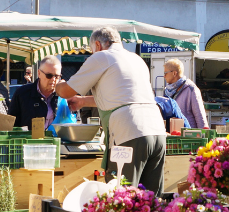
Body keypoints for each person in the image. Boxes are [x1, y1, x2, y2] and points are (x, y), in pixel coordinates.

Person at [55, 27, 166, 196]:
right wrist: (84, 101)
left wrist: (57, 83)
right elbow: (124, 96)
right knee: (151, 202)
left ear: (97, 45)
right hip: (157, 131)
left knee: (121, 198)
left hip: (129, 132)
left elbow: (65, 91)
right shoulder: (136, 59)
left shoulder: (101, 57)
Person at [8, 55, 61, 129]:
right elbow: (11, 123)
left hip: (55, 140)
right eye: (49, 75)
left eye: (57, 76)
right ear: (39, 73)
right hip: (28, 140)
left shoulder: (62, 96)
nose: (53, 79)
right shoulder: (22, 93)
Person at [163, 58, 208, 129]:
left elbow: (200, 116)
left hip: (188, 136)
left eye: (166, 73)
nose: (164, 76)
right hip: (172, 135)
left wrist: (203, 136)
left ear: (174, 73)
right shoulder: (167, 91)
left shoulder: (191, 89)